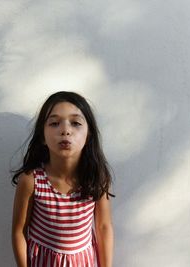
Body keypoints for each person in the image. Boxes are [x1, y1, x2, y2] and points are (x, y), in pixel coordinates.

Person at [11, 91, 114, 267]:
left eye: (75, 123)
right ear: (42, 136)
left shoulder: (97, 178)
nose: (65, 130)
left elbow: (103, 227)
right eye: (54, 123)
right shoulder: (31, 181)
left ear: (88, 135)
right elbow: (19, 231)